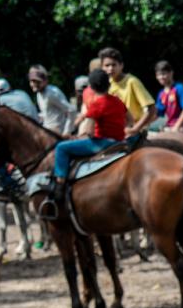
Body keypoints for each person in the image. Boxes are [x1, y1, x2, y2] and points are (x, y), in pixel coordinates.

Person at [45, 68, 128, 216]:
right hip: (119, 142)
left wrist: (74, 137)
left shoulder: (96, 104)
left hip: (101, 144)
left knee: (61, 148)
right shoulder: (118, 101)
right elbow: (130, 120)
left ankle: (60, 185)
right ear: (108, 85)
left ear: (91, 87)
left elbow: (88, 131)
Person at [97, 47, 154, 134]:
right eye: (107, 65)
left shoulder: (132, 81)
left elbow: (151, 108)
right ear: (102, 67)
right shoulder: (107, 84)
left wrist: (136, 128)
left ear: (121, 65)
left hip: (134, 130)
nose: (111, 68)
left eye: (114, 65)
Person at [27, 66, 73, 134]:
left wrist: (66, 132)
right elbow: (48, 113)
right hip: (47, 131)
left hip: (57, 133)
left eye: (37, 81)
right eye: (32, 81)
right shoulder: (39, 93)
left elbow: (71, 110)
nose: (33, 84)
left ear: (45, 81)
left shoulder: (52, 93)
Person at [154, 61, 183, 134]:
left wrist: (176, 127)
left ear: (171, 73)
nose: (161, 77)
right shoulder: (161, 93)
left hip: (182, 128)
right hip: (168, 127)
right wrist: (142, 125)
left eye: (164, 74)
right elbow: (157, 114)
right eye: (158, 75)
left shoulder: (179, 88)